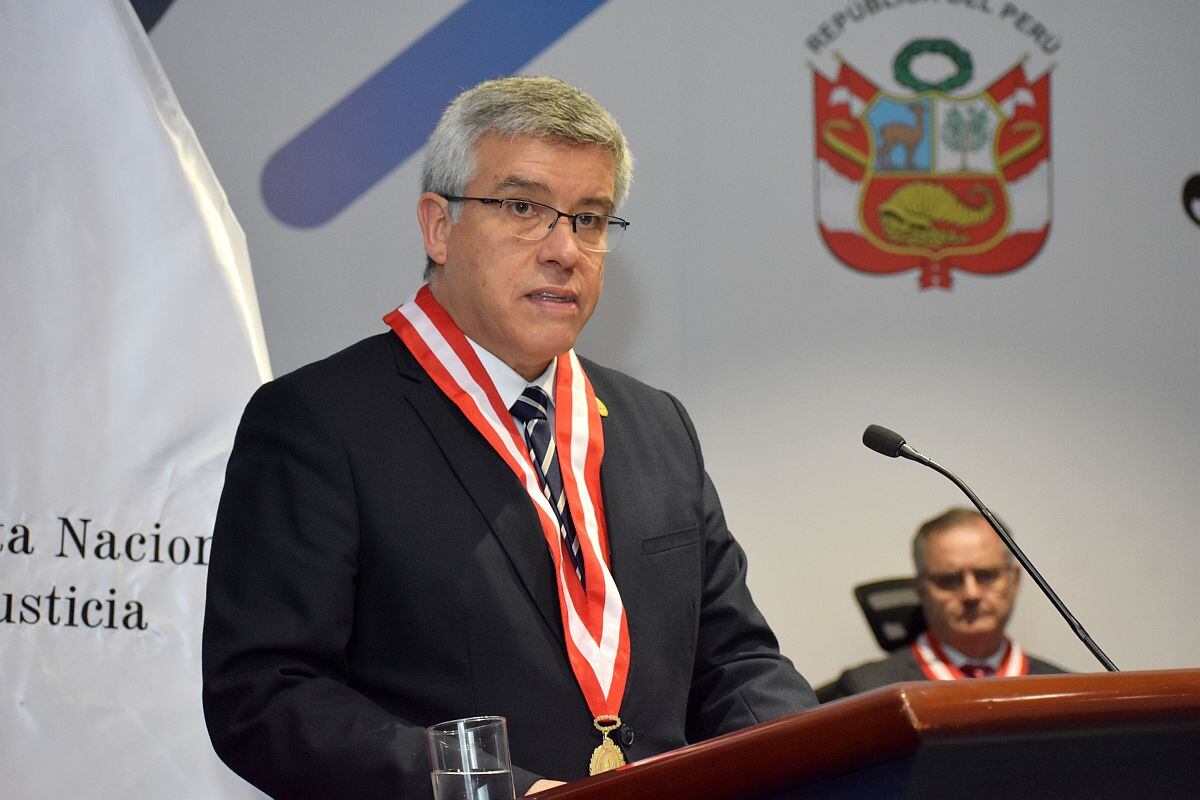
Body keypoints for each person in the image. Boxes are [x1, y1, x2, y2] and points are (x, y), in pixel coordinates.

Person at [202, 75, 816, 799]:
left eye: (590, 219)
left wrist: (820, 759)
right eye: (524, 208)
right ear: (438, 226)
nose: (565, 249)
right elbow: (267, 694)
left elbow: (735, 661)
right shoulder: (319, 421)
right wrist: (498, 791)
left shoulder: (657, 424)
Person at [818, 508, 1064, 701]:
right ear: (920, 590)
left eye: (986, 575)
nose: (971, 594)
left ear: (1015, 580)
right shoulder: (866, 691)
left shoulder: (1068, 690)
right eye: (949, 579)